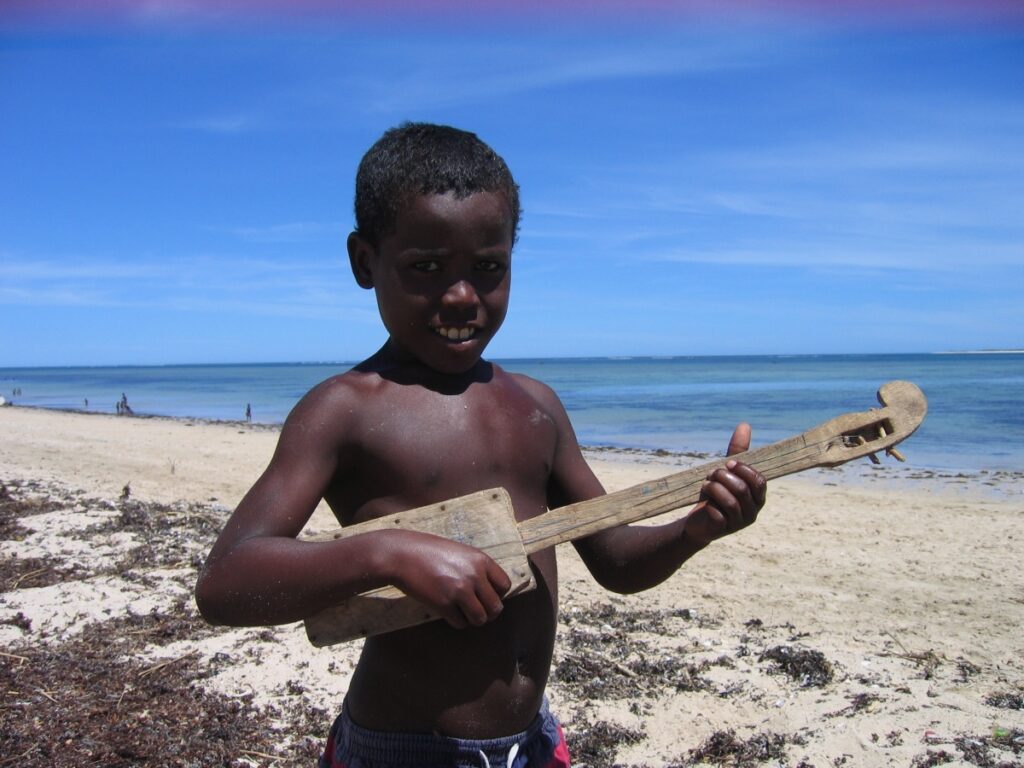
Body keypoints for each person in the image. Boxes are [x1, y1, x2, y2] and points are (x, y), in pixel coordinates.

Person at [195, 123, 766, 768]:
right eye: (426, 268)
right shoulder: (345, 410)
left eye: (488, 268)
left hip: (534, 742)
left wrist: (696, 529)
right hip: (403, 751)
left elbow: (615, 561)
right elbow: (226, 582)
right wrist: (389, 553)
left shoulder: (536, 406)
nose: (462, 295)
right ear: (364, 262)